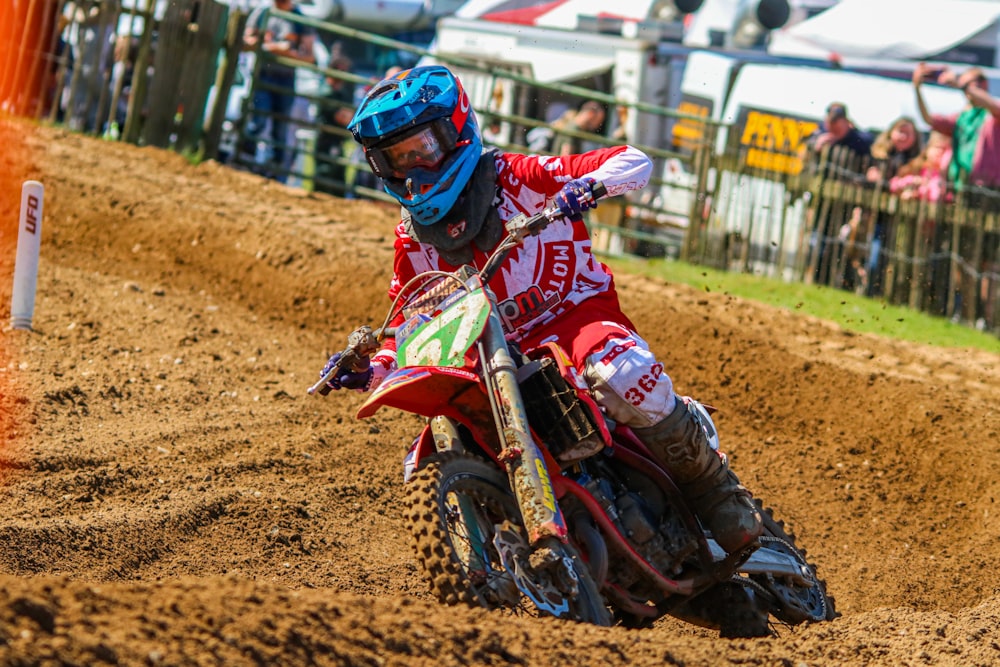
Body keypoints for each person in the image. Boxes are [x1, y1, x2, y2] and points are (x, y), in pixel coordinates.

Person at [318, 65, 763, 556]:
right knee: (426, 455)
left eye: (422, 149)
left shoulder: (515, 176)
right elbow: (409, 314)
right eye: (397, 159)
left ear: (455, 131)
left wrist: (588, 187)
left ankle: (714, 490)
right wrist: (374, 366)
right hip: (491, 354)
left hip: (575, 319)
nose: (415, 169)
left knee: (624, 372)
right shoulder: (412, 234)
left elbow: (631, 160)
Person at [241, 0, 315, 181]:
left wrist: (284, 52)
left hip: (285, 79)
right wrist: (274, 47)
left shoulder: (299, 20)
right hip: (262, 74)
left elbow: (309, 57)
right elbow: (245, 42)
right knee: (257, 120)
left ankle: (275, 172)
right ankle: (244, 163)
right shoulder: (262, 12)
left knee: (280, 128)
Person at [803, 102, 873, 286]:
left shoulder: (859, 141)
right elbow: (806, 148)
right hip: (822, 199)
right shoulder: (820, 135)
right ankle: (815, 278)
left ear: (846, 122)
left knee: (842, 243)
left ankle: (839, 281)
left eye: (837, 124)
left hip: (847, 203)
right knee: (817, 239)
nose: (833, 128)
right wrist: (817, 146)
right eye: (830, 123)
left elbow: (872, 153)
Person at [863, 116, 923, 297]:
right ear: (891, 133)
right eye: (900, 131)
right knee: (874, 253)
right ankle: (869, 289)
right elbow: (867, 180)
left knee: (896, 259)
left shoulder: (917, 161)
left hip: (904, 219)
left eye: (908, 133)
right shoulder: (878, 155)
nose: (903, 137)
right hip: (878, 214)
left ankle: (888, 293)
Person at [313, 54, 356, 196]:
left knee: (337, 175)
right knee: (325, 172)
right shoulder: (327, 92)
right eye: (342, 70)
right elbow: (342, 117)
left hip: (336, 140)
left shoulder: (339, 93)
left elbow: (347, 116)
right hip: (327, 139)